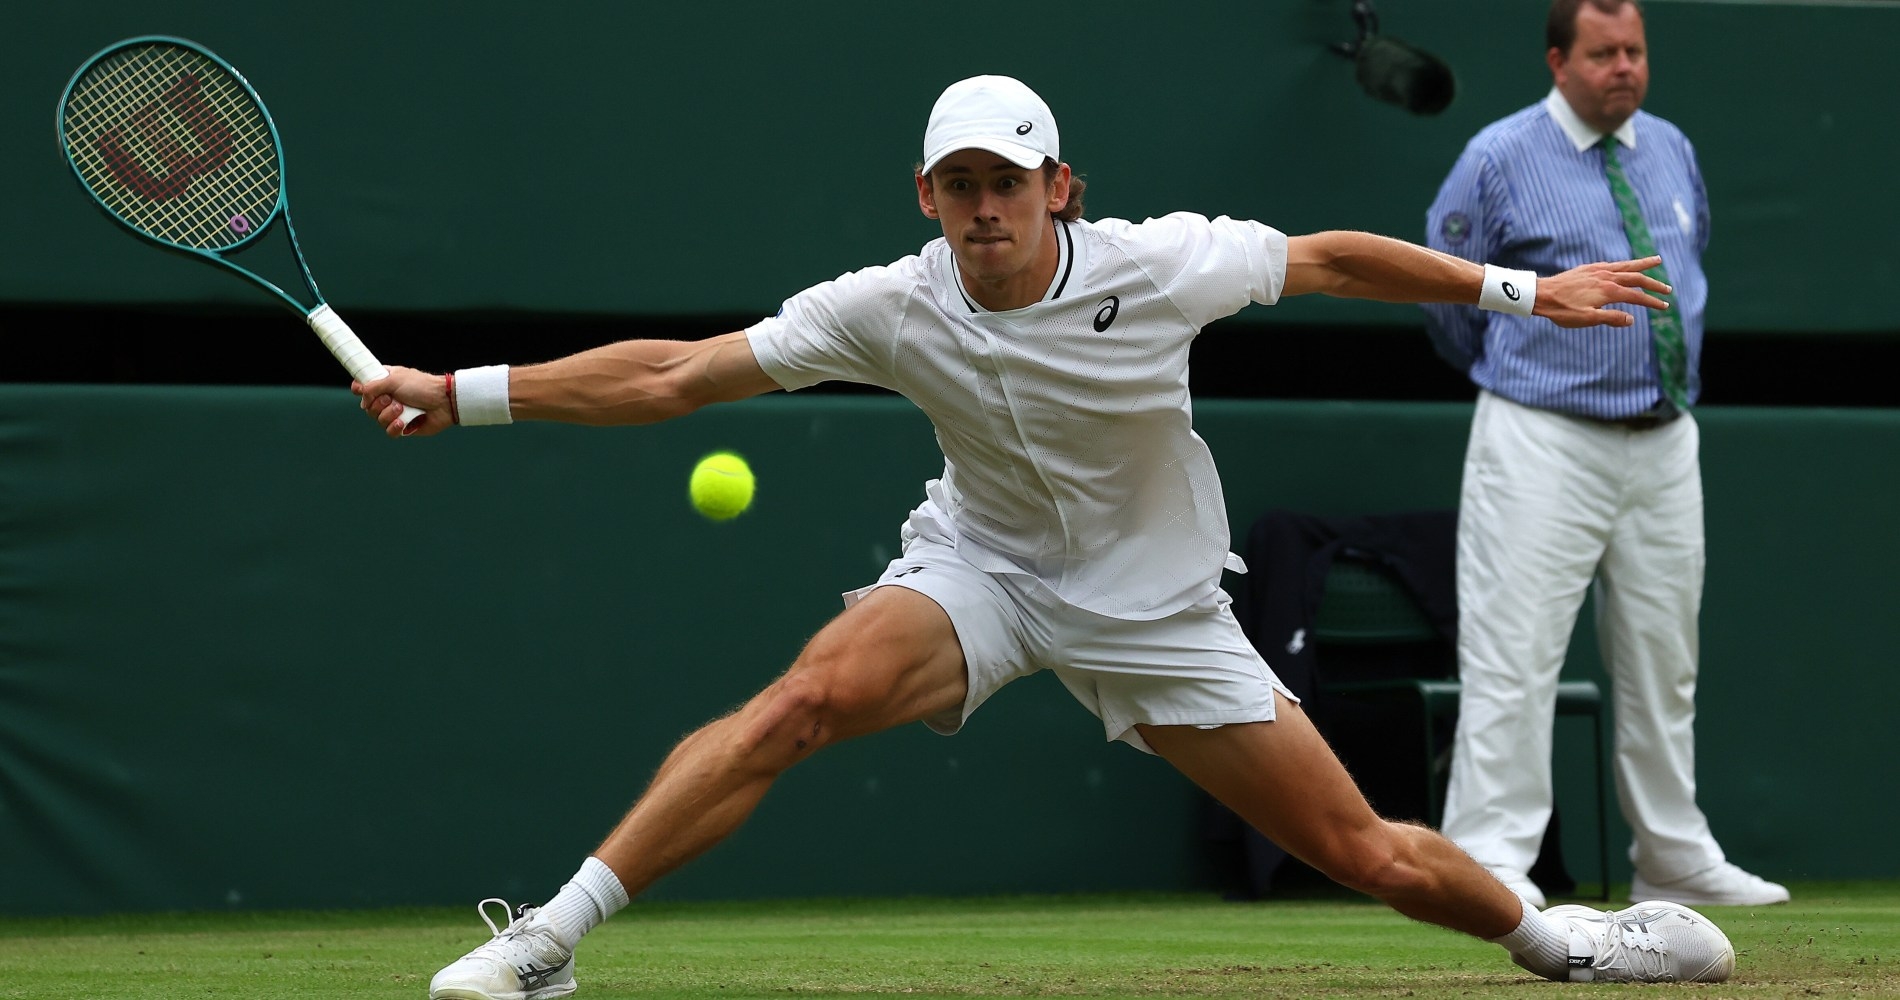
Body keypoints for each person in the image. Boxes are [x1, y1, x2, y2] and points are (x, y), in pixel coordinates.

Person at [358, 75, 1734, 999]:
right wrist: (462, 395)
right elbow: (675, 377)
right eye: (957, 186)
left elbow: (1330, 257)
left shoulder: (1160, 264)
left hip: (1160, 613)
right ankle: (552, 941)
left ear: (1058, 187)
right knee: (800, 703)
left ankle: (1567, 944)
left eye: (1006, 182)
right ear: (925, 199)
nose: (983, 208)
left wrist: (1521, 291)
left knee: (1365, 854)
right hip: (986, 572)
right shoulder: (891, 304)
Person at [1420, 0, 1788, 910]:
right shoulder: (1499, 156)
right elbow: (1447, 296)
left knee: (1666, 656)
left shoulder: (1670, 147)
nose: (1624, 66)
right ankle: (1489, 855)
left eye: (1635, 51)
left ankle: (1672, 854)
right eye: (1602, 53)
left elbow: (1691, 258)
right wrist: (1521, 378)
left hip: (1665, 438)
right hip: (1541, 434)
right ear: (1558, 60)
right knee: (1515, 649)